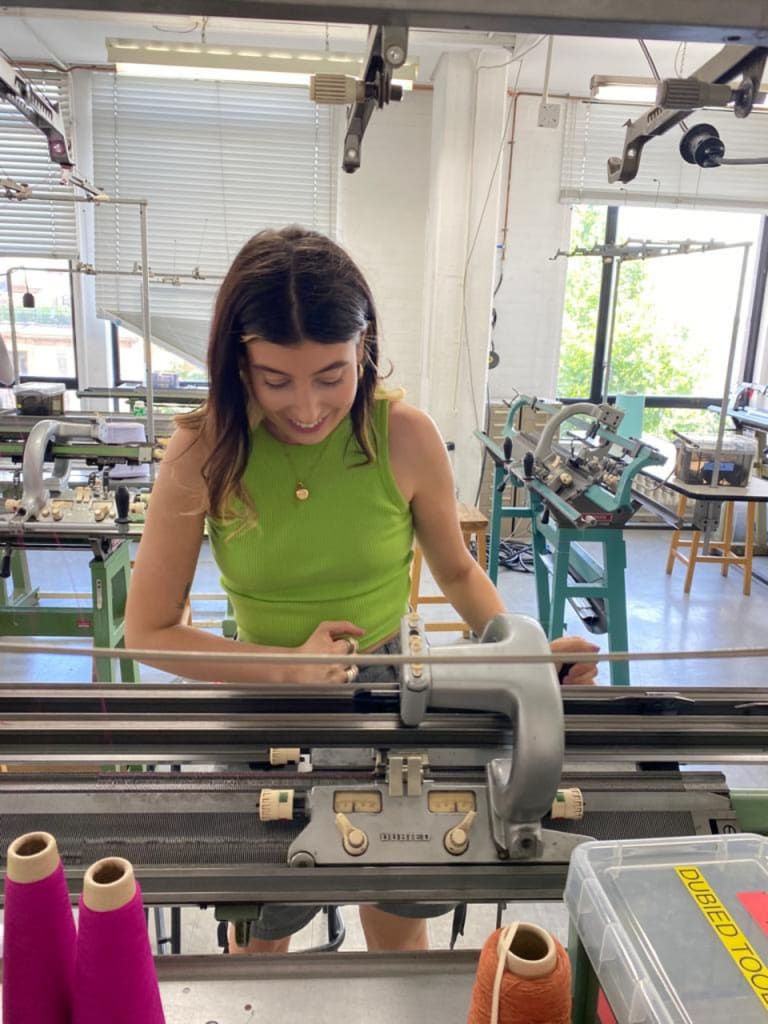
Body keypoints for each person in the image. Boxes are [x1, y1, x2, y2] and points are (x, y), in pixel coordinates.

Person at [125, 226, 598, 955]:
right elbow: (149, 630)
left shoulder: (402, 436)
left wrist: (524, 661)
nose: (308, 408)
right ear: (236, 363)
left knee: (399, 914)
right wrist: (280, 668)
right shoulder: (203, 449)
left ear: (364, 347)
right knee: (259, 935)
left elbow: (460, 571)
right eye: (275, 380)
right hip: (257, 699)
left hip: (396, 693)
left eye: (332, 375)